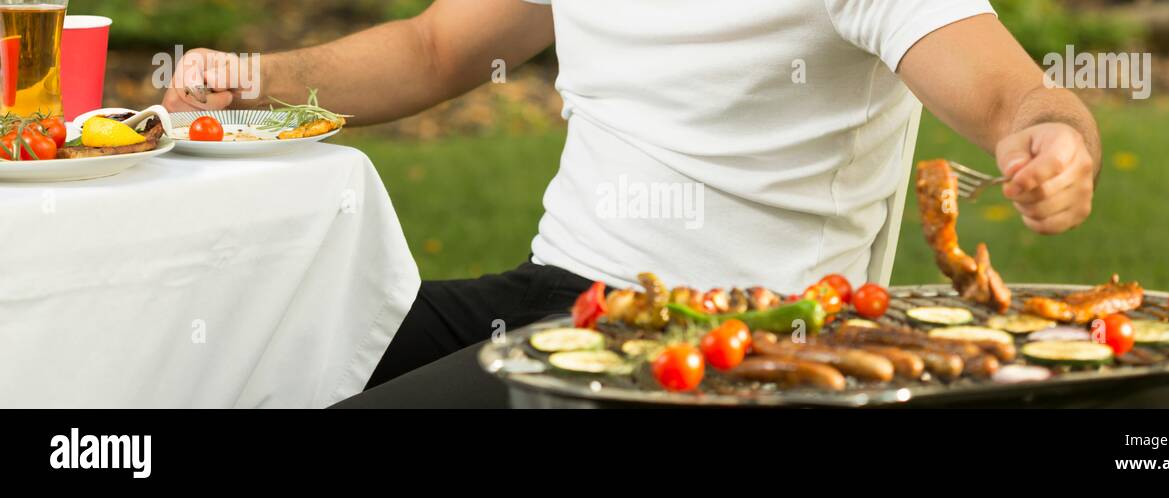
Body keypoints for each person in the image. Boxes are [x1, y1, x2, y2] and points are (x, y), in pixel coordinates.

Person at [164, 0, 1101, 408]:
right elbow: (436, 47)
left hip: (722, 339)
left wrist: (1053, 137)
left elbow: (1015, 98)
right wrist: (253, 79)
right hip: (554, 294)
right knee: (242, 356)